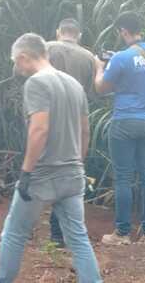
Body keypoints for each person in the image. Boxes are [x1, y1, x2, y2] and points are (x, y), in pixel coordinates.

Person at [0, 33, 102, 283]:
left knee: (14, 233)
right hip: (72, 175)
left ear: (23, 57)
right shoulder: (74, 85)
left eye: (16, 62)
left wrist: (26, 172)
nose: (17, 67)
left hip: (42, 174)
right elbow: (85, 131)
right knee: (78, 238)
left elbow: (39, 129)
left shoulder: (36, 83)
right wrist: (78, 165)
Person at [93, 12, 145, 245]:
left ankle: (122, 234)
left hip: (125, 121)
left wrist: (99, 68)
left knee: (123, 177)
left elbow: (101, 88)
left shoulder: (121, 58)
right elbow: (144, 75)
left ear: (123, 31)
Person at [46, 18, 96, 248]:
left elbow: (21, 71)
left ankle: (25, 226)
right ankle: (59, 232)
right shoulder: (89, 57)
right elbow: (92, 91)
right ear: (79, 35)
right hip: (75, 122)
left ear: (59, 32)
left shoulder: (45, 48)